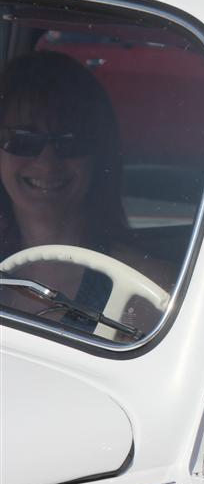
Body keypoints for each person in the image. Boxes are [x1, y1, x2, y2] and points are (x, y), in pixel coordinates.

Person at [0, 50, 171, 337]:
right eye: (23, 140)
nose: (46, 162)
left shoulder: (146, 288)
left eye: (70, 141)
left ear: (99, 155)